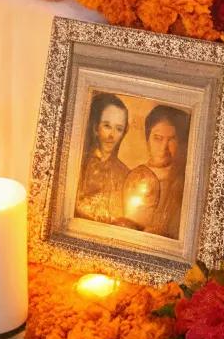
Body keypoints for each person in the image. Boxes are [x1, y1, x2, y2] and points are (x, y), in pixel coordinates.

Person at [123, 105, 188, 238]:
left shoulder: (185, 181)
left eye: (171, 139)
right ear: (148, 139)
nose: (164, 147)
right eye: (158, 138)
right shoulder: (136, 178)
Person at [75, 92, 129, 224]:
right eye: (107, 126)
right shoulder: (77, 165)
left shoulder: (125, 175)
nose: (112, 135)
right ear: (95, 128)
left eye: (119, 129)